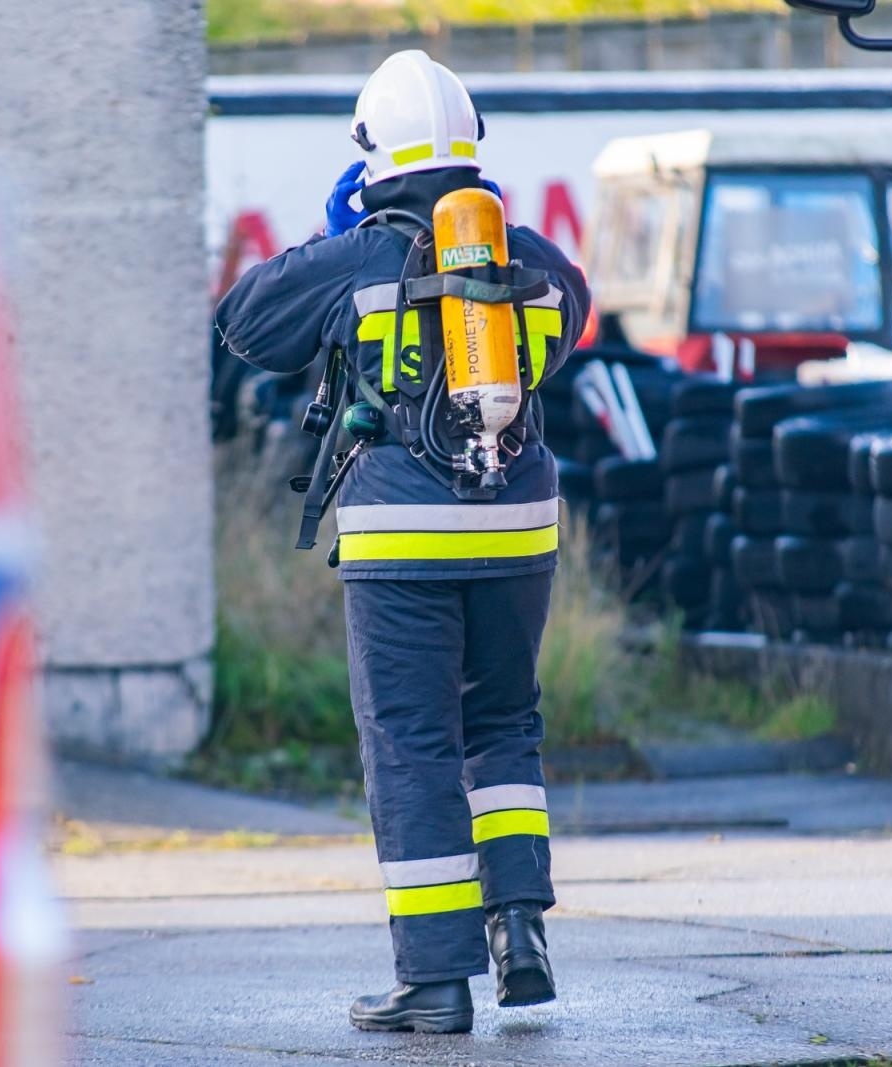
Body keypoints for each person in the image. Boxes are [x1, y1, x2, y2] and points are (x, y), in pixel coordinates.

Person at [213, 50, 591, 1035]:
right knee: (502, 723)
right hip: (517, 526)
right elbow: (573, 319)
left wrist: (334, 234)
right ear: (470, 148)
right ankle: (520, 930)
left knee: (411, 740)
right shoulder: (527, 257)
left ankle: (433, 979)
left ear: (369, 153)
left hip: (403, 536)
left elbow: (244, 322)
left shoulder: (358, 255)